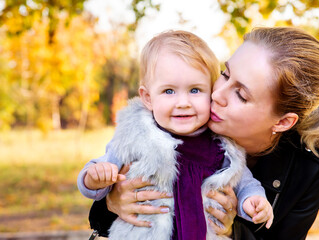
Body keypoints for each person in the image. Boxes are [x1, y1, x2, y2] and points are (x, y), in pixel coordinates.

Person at [88, 27, 319, 240]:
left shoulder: (308, 169)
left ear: (283, 122)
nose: (216, 94)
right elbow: (115, 184)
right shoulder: (170, 122)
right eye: (225, 74)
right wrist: (111, 203)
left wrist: (232, 231)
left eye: (240, 94)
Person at [77, 30, 273, 240]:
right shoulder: (135, 136)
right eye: (169, 91)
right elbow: (96, 179)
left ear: (211, 93)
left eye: (195, 90)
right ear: (148, 98)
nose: (183, 102)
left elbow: (245, 183)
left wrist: (253, 201)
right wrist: (95, 178)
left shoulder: (221, 146)